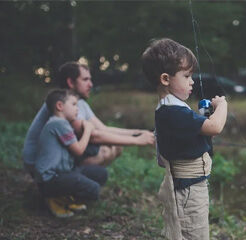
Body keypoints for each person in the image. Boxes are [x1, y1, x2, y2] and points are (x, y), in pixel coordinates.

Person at [141, 38, 228, 239]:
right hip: (188, 191)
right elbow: (214, 127)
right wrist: (222, 105)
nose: (192, 81)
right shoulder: (173, 111)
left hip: (190, 186)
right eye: (187, 76)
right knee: (194, 235)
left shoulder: (172, 107)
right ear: (165, 79)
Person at [23, 61, 155, 177]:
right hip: (38, 163)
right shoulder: (63, 104)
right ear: (70, 82)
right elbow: (93, 136)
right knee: (104, 150)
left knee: (115, 147)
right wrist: (137, 141)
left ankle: (78, 184)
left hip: (58, 157)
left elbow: (103, 129)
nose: (91, 84)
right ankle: (67, 189)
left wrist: (138, 132)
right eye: (85, 80)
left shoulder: (79, 103)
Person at [35, 89, 108, 218]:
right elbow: (79, 150)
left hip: (64, 173)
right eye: (74, 104)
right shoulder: (58, 124)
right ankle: (55, 198)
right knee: (93, 189)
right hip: (50, 180)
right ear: (59, 106)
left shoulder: (62, 123)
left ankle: (64, 197)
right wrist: (88, 130)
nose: (77, 109)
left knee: (101, 173)